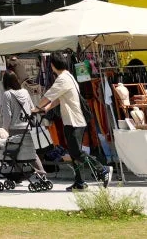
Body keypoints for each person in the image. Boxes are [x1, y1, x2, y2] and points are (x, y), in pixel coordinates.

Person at [37, 53, 93, 192]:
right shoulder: (70, 76)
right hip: (75, 120)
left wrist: (37, 107)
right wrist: (47, 107)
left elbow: (48, 95)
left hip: (73, 121)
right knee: (75, 154)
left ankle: (102, 169)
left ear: (53, 66)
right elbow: (59, 98)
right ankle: (80, 182)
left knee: (76, 153)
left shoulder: (62, 79)